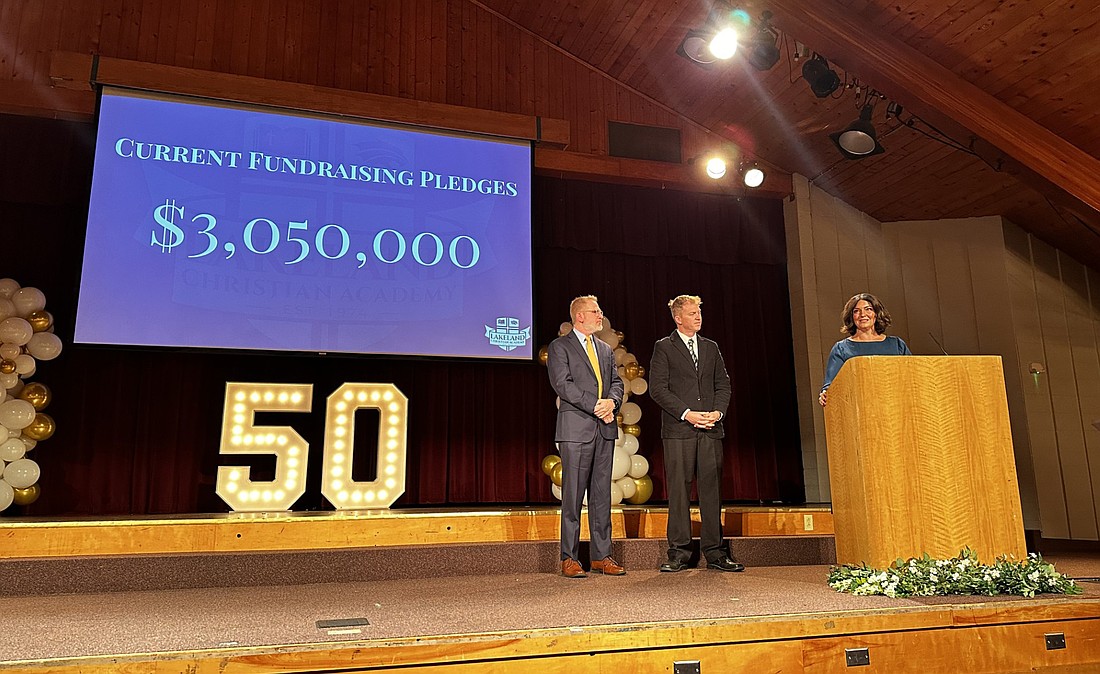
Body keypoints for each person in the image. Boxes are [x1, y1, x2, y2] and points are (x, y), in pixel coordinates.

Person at [649, 295, 743, 572]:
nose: (698, 317)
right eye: (692, 313)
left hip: (711, 430)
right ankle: (678, 552)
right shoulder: (664, 347)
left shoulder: (711, 347)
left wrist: (718, 412)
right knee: (679, 490)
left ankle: (715, 552)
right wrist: (687, 413)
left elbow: (723, 385)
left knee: (712, 491)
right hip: (679, 430)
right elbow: (658, 389)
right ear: (678, 318)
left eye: (699, 312)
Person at [546, 295, 626, 578]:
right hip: (576, 430)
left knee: (602, 495)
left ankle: (602, 556)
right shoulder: (560, 347)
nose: (600, 315)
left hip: (604, 429)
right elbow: (563, 385)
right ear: (579, 316)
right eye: (595, 311)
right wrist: (596, 404)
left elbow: (617, 383)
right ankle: (569, 557)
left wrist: (612, 403)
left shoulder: (604, 349)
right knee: (573, 495)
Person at [819, 293, 911, 407]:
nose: (863, 314)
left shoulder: (897, 345)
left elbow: (912, 376)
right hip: (858, 408)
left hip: (896, 408)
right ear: (851, 317)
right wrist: (825, 393)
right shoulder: (842, 349)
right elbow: (831, 386)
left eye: (868, 309)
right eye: (856, 311)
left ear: (876, 314)